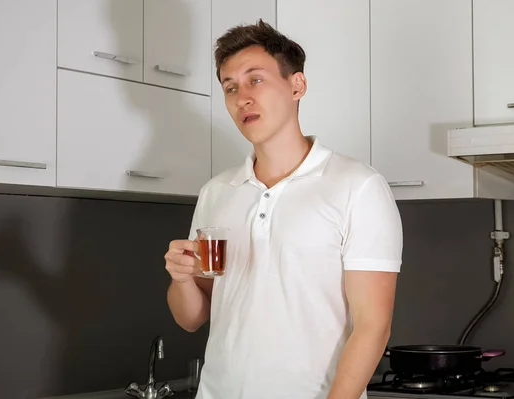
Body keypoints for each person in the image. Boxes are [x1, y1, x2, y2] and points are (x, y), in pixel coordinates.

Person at [165, 19, 403, 399]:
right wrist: (181, 279)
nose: (241, 96)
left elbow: (373, 326)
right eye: (230, 87)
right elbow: (192, 317)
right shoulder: (216, 192)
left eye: (255, 79)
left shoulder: (357, 186)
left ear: (297, 85)